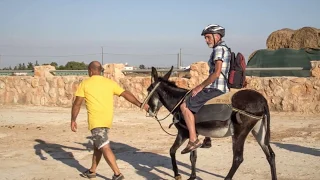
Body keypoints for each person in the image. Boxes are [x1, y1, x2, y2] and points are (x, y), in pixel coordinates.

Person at [70, 61, 149, 180]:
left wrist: (73, 119)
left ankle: (117, 174)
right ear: (100, 70)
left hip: (96, 121)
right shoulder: (109, 83)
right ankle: (92, 171)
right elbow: (125, 93)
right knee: (98, 145)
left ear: (90, 71)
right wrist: (140, 104)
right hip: (107, 120)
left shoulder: (85, 83)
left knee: (104, 146)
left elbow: (77, 104)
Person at [180, 24, 231, 154]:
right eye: (205, 37)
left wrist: (199, 86)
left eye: (208, 37)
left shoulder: (218, 50)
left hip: (216, 88)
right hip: (221, 87)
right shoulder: (225, 48)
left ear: (217, 36)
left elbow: (216, 73)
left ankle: (193, 139)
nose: (206, 40)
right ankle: (207, 138)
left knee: (185, 106)